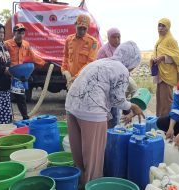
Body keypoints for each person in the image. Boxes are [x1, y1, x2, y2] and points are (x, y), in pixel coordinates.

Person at [65, 41, 144, 187]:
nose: (132, 69)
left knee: (79, 155)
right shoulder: (122, 70)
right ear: (131, 59)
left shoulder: (101, 62)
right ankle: (93, 185)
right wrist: (134, 106)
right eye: (134, 65)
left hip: (71, 106)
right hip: (92, 111)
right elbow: (118, 100)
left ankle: (80, 183)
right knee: (93, 159)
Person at [97, 28, 138, 127]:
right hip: (106, 83)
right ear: (109, 38)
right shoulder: (103, 50)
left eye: (118, 37)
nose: (117, 39)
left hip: (119, 80)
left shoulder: (122, 49)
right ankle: (111, 129)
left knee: (120, 103)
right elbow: (100, 68)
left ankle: (121, 120)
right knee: (110, 109)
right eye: (114, 37)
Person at [5, 23, 45, 120]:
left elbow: (32, 56)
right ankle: (7, 118)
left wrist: (43, 62)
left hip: (20, 76)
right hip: (7, 74)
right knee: (7, 97)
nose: (21, 35)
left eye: (23, 33)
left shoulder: (26, 44)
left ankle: (25, 117)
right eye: (19, 33)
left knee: (21, 97)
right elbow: (3, 59)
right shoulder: (7, 44)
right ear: (14, 32)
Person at [150, 18, 179, 117]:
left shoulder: (171, 40)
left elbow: (178, 57)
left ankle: (167, 123)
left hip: (168, 75)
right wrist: (153, 58)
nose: (160, 28)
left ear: (168, 27)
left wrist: (164, 57)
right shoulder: (159, 40)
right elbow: (155, 52)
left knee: (167, 100)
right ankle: (159, 120)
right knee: (160, 99)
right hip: (160, 74)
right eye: (159, 26)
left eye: (163, 26)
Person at [61, 14, 98, 89]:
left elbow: (90, 63)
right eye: (80, 28)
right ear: (75, 25)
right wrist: (64, 70)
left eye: (84, 29)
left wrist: (76, 77)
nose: (82, 31)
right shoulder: (69, 39)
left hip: (85, 80)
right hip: (70, 80)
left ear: (88, 28)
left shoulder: (93, 42)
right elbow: (66, 57)